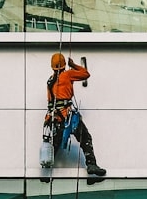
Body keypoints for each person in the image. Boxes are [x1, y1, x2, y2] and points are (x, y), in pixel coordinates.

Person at [43, 52, 106, 184]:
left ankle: (46, 173)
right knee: (85, 138)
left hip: (54, 117)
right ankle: (91, 165)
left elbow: (51, 100)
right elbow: (85, 74)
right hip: (67, 116)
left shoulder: (49, 81)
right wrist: (73, 65)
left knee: (55, 144)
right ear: (64, 65)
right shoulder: (67, 75)